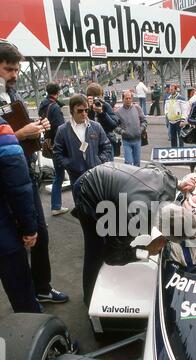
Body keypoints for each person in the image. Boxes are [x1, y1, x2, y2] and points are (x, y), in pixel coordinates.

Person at [0, 39, 68, 304]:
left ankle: (41, 287)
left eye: (17, 70)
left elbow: (18, 129)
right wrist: (18, 134)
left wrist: (36, 127)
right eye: (8, 69)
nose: (15, 75)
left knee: (39, 232)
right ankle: (28, 303)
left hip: (25, 174)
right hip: (6, 181)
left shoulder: (13, 95)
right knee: (15, 249)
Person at [73, 162, 196, 306]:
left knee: (115, 235)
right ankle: (90, 300)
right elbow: (112, 256)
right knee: (96, 249)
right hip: (86, 189)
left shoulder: (168, 182)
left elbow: (155, 166)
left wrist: (180, 183)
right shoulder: (133, 220)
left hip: (109, 173)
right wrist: (147, 250)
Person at [0, 116, 41, 313]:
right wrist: (29, 227)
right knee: (22, 293)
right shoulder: (1, 128)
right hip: (4, 232)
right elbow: (18, 185)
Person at [53, 94, 111, 187]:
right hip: (76, 177)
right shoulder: (62, 130)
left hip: (96, 174)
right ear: (72, 111)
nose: (84, 113)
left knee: (98, 200)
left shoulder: (96, 126)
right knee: (80, 201)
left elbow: (107, 146)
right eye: (80, 111)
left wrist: (99, 160)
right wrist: (70, 164)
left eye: (86, 110)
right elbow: (57, 153)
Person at [38, 82, 68, 216]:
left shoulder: (43, 105)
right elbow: (60, 128)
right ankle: (57, 206)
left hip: (50, 142)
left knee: (59, 175)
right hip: (59, 145)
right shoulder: (54, 107)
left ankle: (56, 205)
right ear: (58, 92)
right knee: (69, 173)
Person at [86, 83, 118, 160]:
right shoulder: (85, 107)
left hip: (105, 144)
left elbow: (113, 125)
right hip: (91, 144)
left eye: (98, 97)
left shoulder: (105, 105)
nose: (96, 101)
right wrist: (88, 110)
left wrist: (102, 113)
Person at [115, 90, 147, 167]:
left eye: (129, 98)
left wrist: (141, 129)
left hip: (137, 140)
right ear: (123, 99)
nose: (128, 100)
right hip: (126, 141)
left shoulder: (137, 108)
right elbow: (115, 126)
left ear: (132, 99)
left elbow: (144, 121)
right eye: (126, 98)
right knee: (128, 163)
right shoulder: (118, 112)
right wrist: (122, 132)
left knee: (137, 163)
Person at [165, 84, 188, 148]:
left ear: (175, 89)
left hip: (179, 121)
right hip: (171, 121)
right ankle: (174, 150)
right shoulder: (168, 98)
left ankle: (181, 150)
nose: (170, 91)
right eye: (170, 89)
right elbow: (166, 108)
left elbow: (184, 110)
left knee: (180, 137)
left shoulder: (181, 98)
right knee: (173, 138)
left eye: (172, 89)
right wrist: (167, 114)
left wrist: (183, 120)